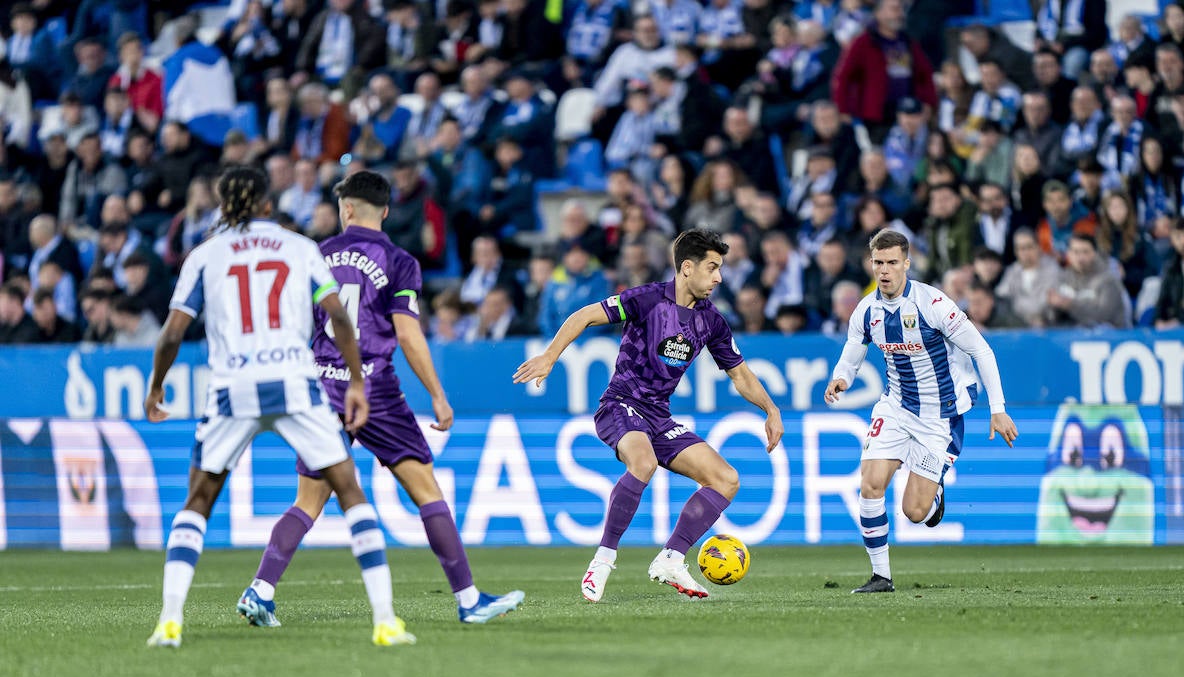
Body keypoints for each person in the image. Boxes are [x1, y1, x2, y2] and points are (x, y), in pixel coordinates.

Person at [143, 166, 415, 649]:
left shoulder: (205, 254)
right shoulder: (300, 247)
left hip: (233, 387)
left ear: (224, 206)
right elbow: (339, 318)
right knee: (349, 490)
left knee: (199, 501)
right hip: (294, 383)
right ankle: (386, 620)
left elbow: (171, 334)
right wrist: (355, 381)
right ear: (268, 205)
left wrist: (156, 386)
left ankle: (169, 619)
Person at [238, 170, 524, 629]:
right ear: (386, 211)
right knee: (426, 490)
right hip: (375, 390)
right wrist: (437, 395)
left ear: (345, 209)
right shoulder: (398, 261)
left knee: (308, 501)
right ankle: (469, 599)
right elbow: (408, 334)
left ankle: (261, 589)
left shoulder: (316, 255)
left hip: (322, 388)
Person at [513, 228, 784, 602]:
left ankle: (671, 558)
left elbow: (740, 374)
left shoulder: (711, 321)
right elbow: (584, 316)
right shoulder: (647, 299)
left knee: (726, 479)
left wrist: (770, 409)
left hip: (659, 416)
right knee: (643, 462)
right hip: (620, 404)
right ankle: (603, 560)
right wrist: (549, 356)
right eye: (712, 267)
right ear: (687, 268)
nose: (719, 277)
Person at [823, 229, 1018, 593]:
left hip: (940, 417)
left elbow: (982, 351)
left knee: (915, 513)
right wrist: (841, 377)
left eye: (892, 263)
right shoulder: (867, 309)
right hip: (896, 405)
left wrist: (998, 409)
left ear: (906, 264)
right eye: (878, 263)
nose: (884, 271)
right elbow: (854, 347)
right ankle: (882, 577)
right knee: (870, 484)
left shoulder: (934, 304)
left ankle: (935, 497)